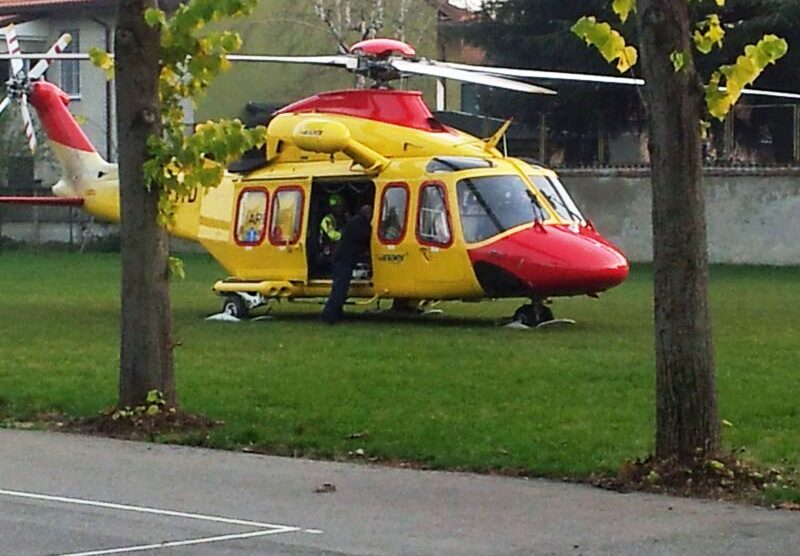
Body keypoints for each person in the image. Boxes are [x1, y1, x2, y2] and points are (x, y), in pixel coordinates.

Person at [321, 204, 373, 324]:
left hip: (341, 258)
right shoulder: (360, 224)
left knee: (340, 288)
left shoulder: (353, 222)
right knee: (339, 289)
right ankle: (328, 316)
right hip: (344, 260)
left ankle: (336, 314)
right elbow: (364, 238)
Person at [318, 193, 347, 265]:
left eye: (342, 206)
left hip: (340, 249)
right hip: (328, 251)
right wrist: (346, 236)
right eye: (339, 207)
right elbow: (332, 235)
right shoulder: (327, 219)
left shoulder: (343, 218)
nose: (341, 209)